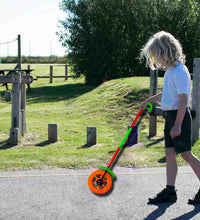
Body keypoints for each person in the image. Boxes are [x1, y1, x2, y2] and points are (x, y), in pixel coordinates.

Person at [139, 31, 200, 205]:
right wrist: (152, 99)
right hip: (171, 116)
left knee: (186, 154)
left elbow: (183, 100)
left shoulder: (180, 71)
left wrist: (178, 125)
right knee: (170, 153)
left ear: (165, 52)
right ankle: (170, 191)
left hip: (179, 117)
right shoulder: (171, 71)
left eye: (157, 57)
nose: (156, 61)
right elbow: (168, 93)